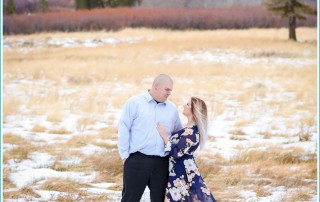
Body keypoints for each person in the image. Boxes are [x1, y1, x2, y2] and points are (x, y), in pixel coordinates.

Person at [118, 74, 182, 202]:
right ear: (156, 86)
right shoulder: (135, 103)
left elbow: (177, 134)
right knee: (130, 199)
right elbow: (124, 128)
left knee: (159, 199)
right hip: (137, 160)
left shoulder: (172, 109)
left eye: (171, 90)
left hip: (162, 163)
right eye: (167, 89)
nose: (169, 93)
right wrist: (125, 156)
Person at [156, 97, 216, 202]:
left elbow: (176, 153)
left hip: (183, 171)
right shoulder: (187, 129)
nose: (184, 105)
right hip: (179, 169)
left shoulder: (192, 132)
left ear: (194, 110)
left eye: (187, 104)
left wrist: (165, 135)